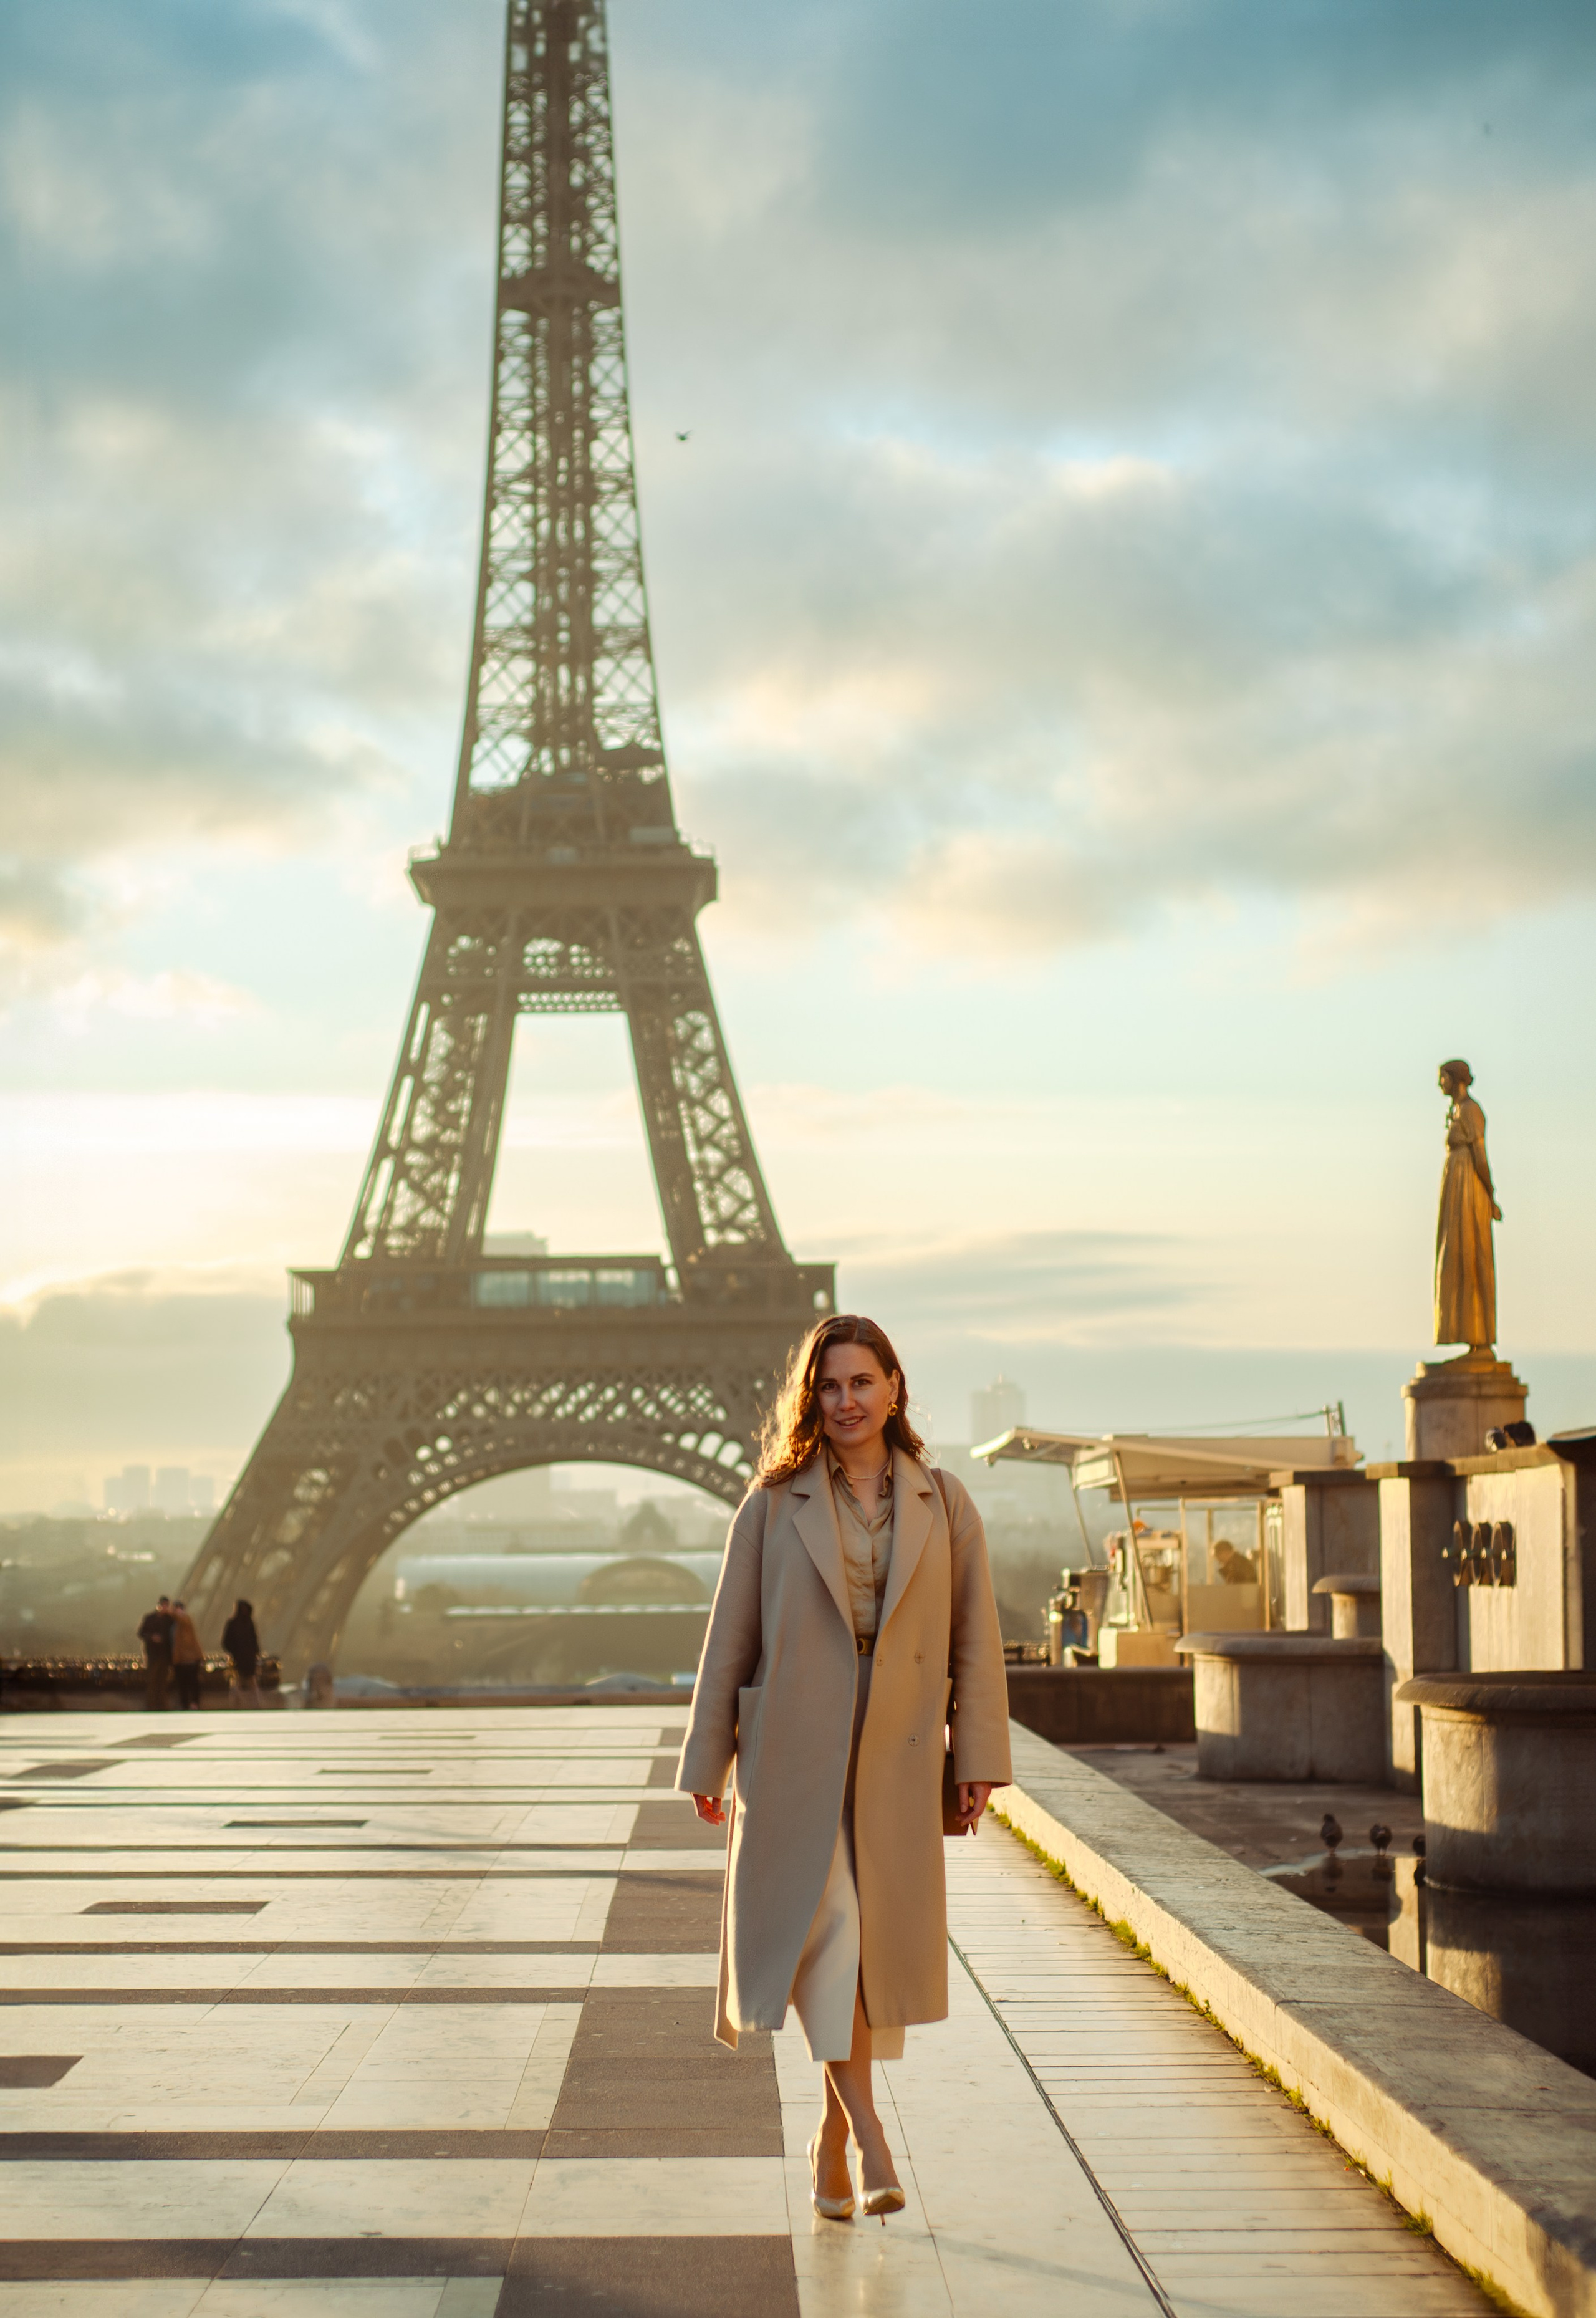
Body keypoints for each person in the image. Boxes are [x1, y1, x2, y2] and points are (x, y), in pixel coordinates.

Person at [677, 1313, 1011, 2224]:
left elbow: (976, 1640)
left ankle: (828, 2141)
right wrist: (709, 1760)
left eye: (863, 1382)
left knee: (865, 1949)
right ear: (811, 1397)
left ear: (894, 1386)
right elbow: (729, 1639)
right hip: (793, 1743)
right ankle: (869, 2130)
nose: (847, 1400)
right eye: (830, 1385)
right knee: (831, 1923)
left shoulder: (946, 1502)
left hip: (898, 1748)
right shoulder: (771, 1502)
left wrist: (976, 1757)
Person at [1434, 1060, 1502, 1355]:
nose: (1440, 1084)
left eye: (1443, 1078)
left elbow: (1480, 1156)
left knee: (1472, 1256)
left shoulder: (1471, 1110)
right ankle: (1465, 1332)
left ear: (1456, 1080)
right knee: (1455, 1258)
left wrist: (1490, 1196)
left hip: (1469, 1191)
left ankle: (1481, 1337)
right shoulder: (1458, 1111)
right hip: (1456, 1191)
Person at [221, 1599, 262, 1708]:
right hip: (244, 1659)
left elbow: (226, 1642)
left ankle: (238, 1704)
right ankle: (249, 1704)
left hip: (242, 1659)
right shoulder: (246, 1622)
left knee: (242, 1682)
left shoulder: (237, 1622)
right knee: (243, 1682)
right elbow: (254, 1640)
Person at [137, 1596, 175, 1711]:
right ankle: (151, 1705)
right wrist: (152, 1638)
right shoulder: (150, 1618)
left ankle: (162, 1705)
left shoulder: (170, 1620)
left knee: (162, 1682)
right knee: (152, 1681)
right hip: (153, 1655)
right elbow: (141, 1633)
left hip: (165, 1655)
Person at [170, 1599, 204, 1711]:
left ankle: (193, 1703)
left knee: (191, 1682)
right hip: (182, 1659)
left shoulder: (184, 1620)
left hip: (189, 1658)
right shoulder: (176, 1623)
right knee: (183, 1684)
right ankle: (187, 1704)